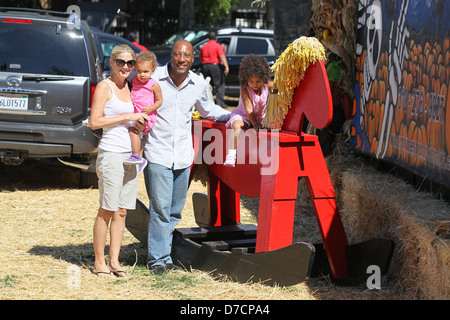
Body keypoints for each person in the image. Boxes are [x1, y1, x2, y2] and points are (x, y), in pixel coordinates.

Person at [142, 39, 230, 275]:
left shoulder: (198, 83)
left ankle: (162, 249)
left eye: (187, 55)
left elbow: (208, 110)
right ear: (171, 55)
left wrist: (233, 117)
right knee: (160, 208)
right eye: (177, 54)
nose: (181, 59)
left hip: (182, 156)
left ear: (193, 59)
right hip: (157, 152)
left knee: (174, 210)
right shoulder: (153, 78)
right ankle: (158, 260)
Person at [89, 44, 150, 278]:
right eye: (121, 62)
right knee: (107, 209)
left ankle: (114, 261)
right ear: (112, 63)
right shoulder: (105, 87)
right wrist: (127, 116)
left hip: (130, 156)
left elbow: (130, 121)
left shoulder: (131, 87)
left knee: (122, 211)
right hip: (111, 153)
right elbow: (95, 122)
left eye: (130, 63)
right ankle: (98, 262)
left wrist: (138, 124)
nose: (126, 67)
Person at [224, 54, 273, 167]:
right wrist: (255, 124)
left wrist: (277, 93)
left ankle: (268, 155)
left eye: (258, 81)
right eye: (251, 81)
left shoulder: (269, 85)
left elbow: (277, 95)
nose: (255, 84)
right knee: (237, 125)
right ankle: (231, 154)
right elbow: (248, 108)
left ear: (264, 78)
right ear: (246, 79)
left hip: (261, 115)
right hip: (244, 114)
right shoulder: (244, 87)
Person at [124, 51, 163, 174]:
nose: (142, 75)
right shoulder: (134, 80)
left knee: (134, 131)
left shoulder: (153, 85)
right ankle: (139, 159)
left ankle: (137, 156)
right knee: (138, 135)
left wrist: (151, 108)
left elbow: (160, 100)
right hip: (136, 113)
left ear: (153, 70)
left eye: (145, 72)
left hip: (147, 115)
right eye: (139, 71)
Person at [199, 31, 229, 108]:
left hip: (205, 66)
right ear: (216, 38)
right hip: (215, 66)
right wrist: (226, 66)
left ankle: (207, 102)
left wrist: (204, 64)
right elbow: (221, 56)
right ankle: (219, 103)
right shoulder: (217, 46)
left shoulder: (203, 46)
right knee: (220, 85)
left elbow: (201, 58)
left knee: (208, 84)